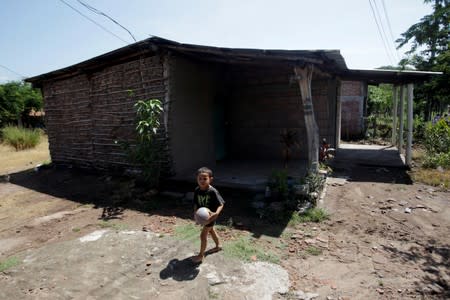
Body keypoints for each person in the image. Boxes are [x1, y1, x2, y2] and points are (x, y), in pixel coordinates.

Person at [192, 167, 225, 263]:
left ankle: (201, 255)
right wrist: (195, 215)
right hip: (203, 216)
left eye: (205, 178)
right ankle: (218, 246)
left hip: (210, 217)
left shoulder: (212, 191)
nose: (202, 181)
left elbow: (221, 204)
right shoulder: (197, 190)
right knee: (211, 231)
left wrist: (216, 213)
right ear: (197, 179)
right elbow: (195, 204)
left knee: (203, 236)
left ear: (210, 179)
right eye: (200, 178)